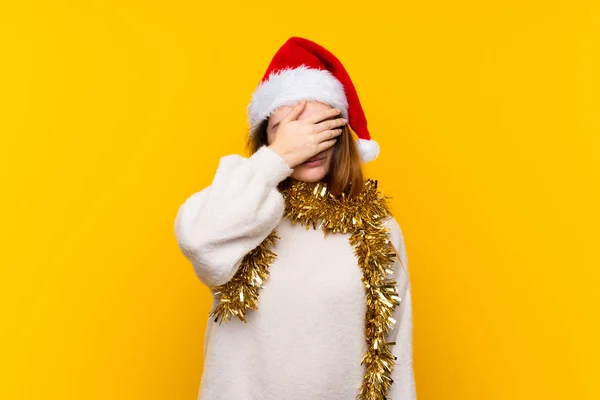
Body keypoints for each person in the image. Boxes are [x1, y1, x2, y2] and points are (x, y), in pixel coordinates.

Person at [174, 37, 416, 400]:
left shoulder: (379, 230)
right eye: (289, 129)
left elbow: (394, 350)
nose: (308, 142)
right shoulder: (247, 210)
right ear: (268, 141)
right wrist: (277, 159)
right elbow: (199, 240)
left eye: (321, 128)